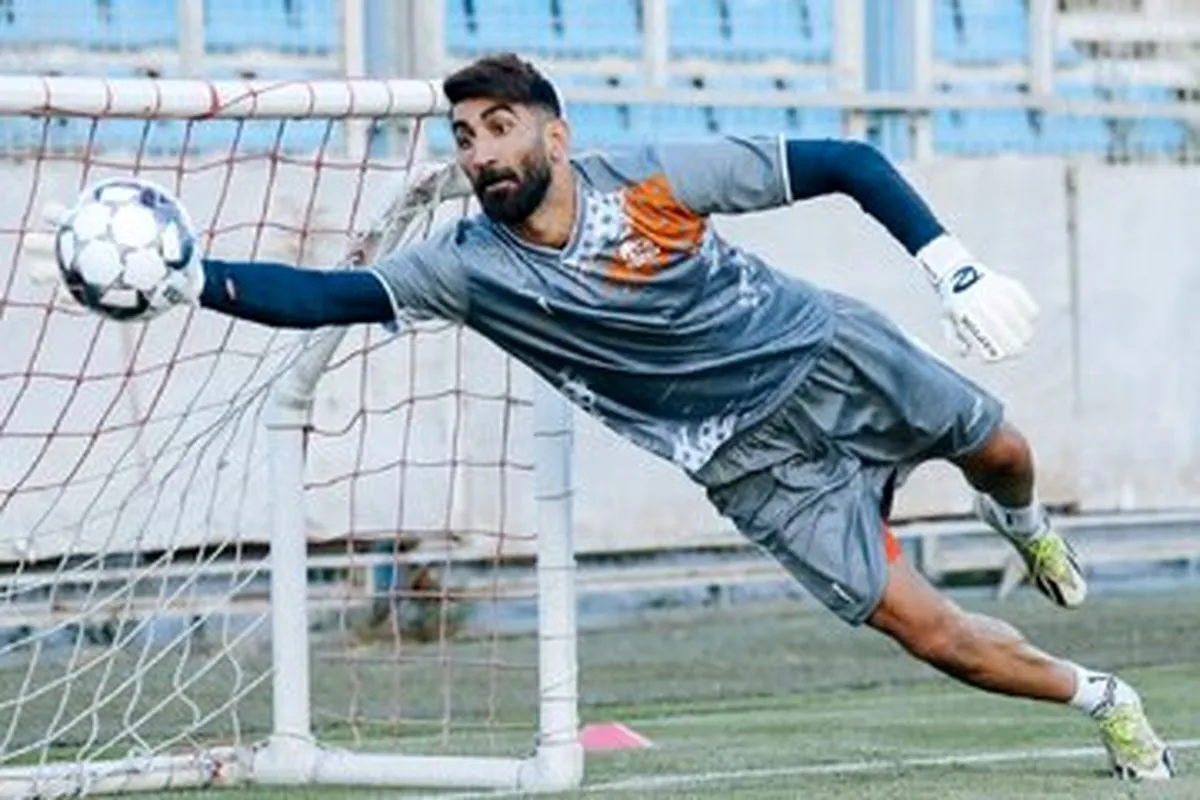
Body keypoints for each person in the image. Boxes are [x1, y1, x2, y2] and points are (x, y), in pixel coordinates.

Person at [72, 54, 1176, 780]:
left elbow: (844, 161)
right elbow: (331, 296)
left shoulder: (650, 180)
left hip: (828, 355)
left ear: (555, 134)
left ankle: (1023, 528)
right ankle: (1105, 698)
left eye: (499, 127)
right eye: (463, 136)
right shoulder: (467, 268)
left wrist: (952, 265)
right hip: (749, 464)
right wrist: (195, 278)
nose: (479, 152)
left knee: (1006, 450)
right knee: (929, 633)